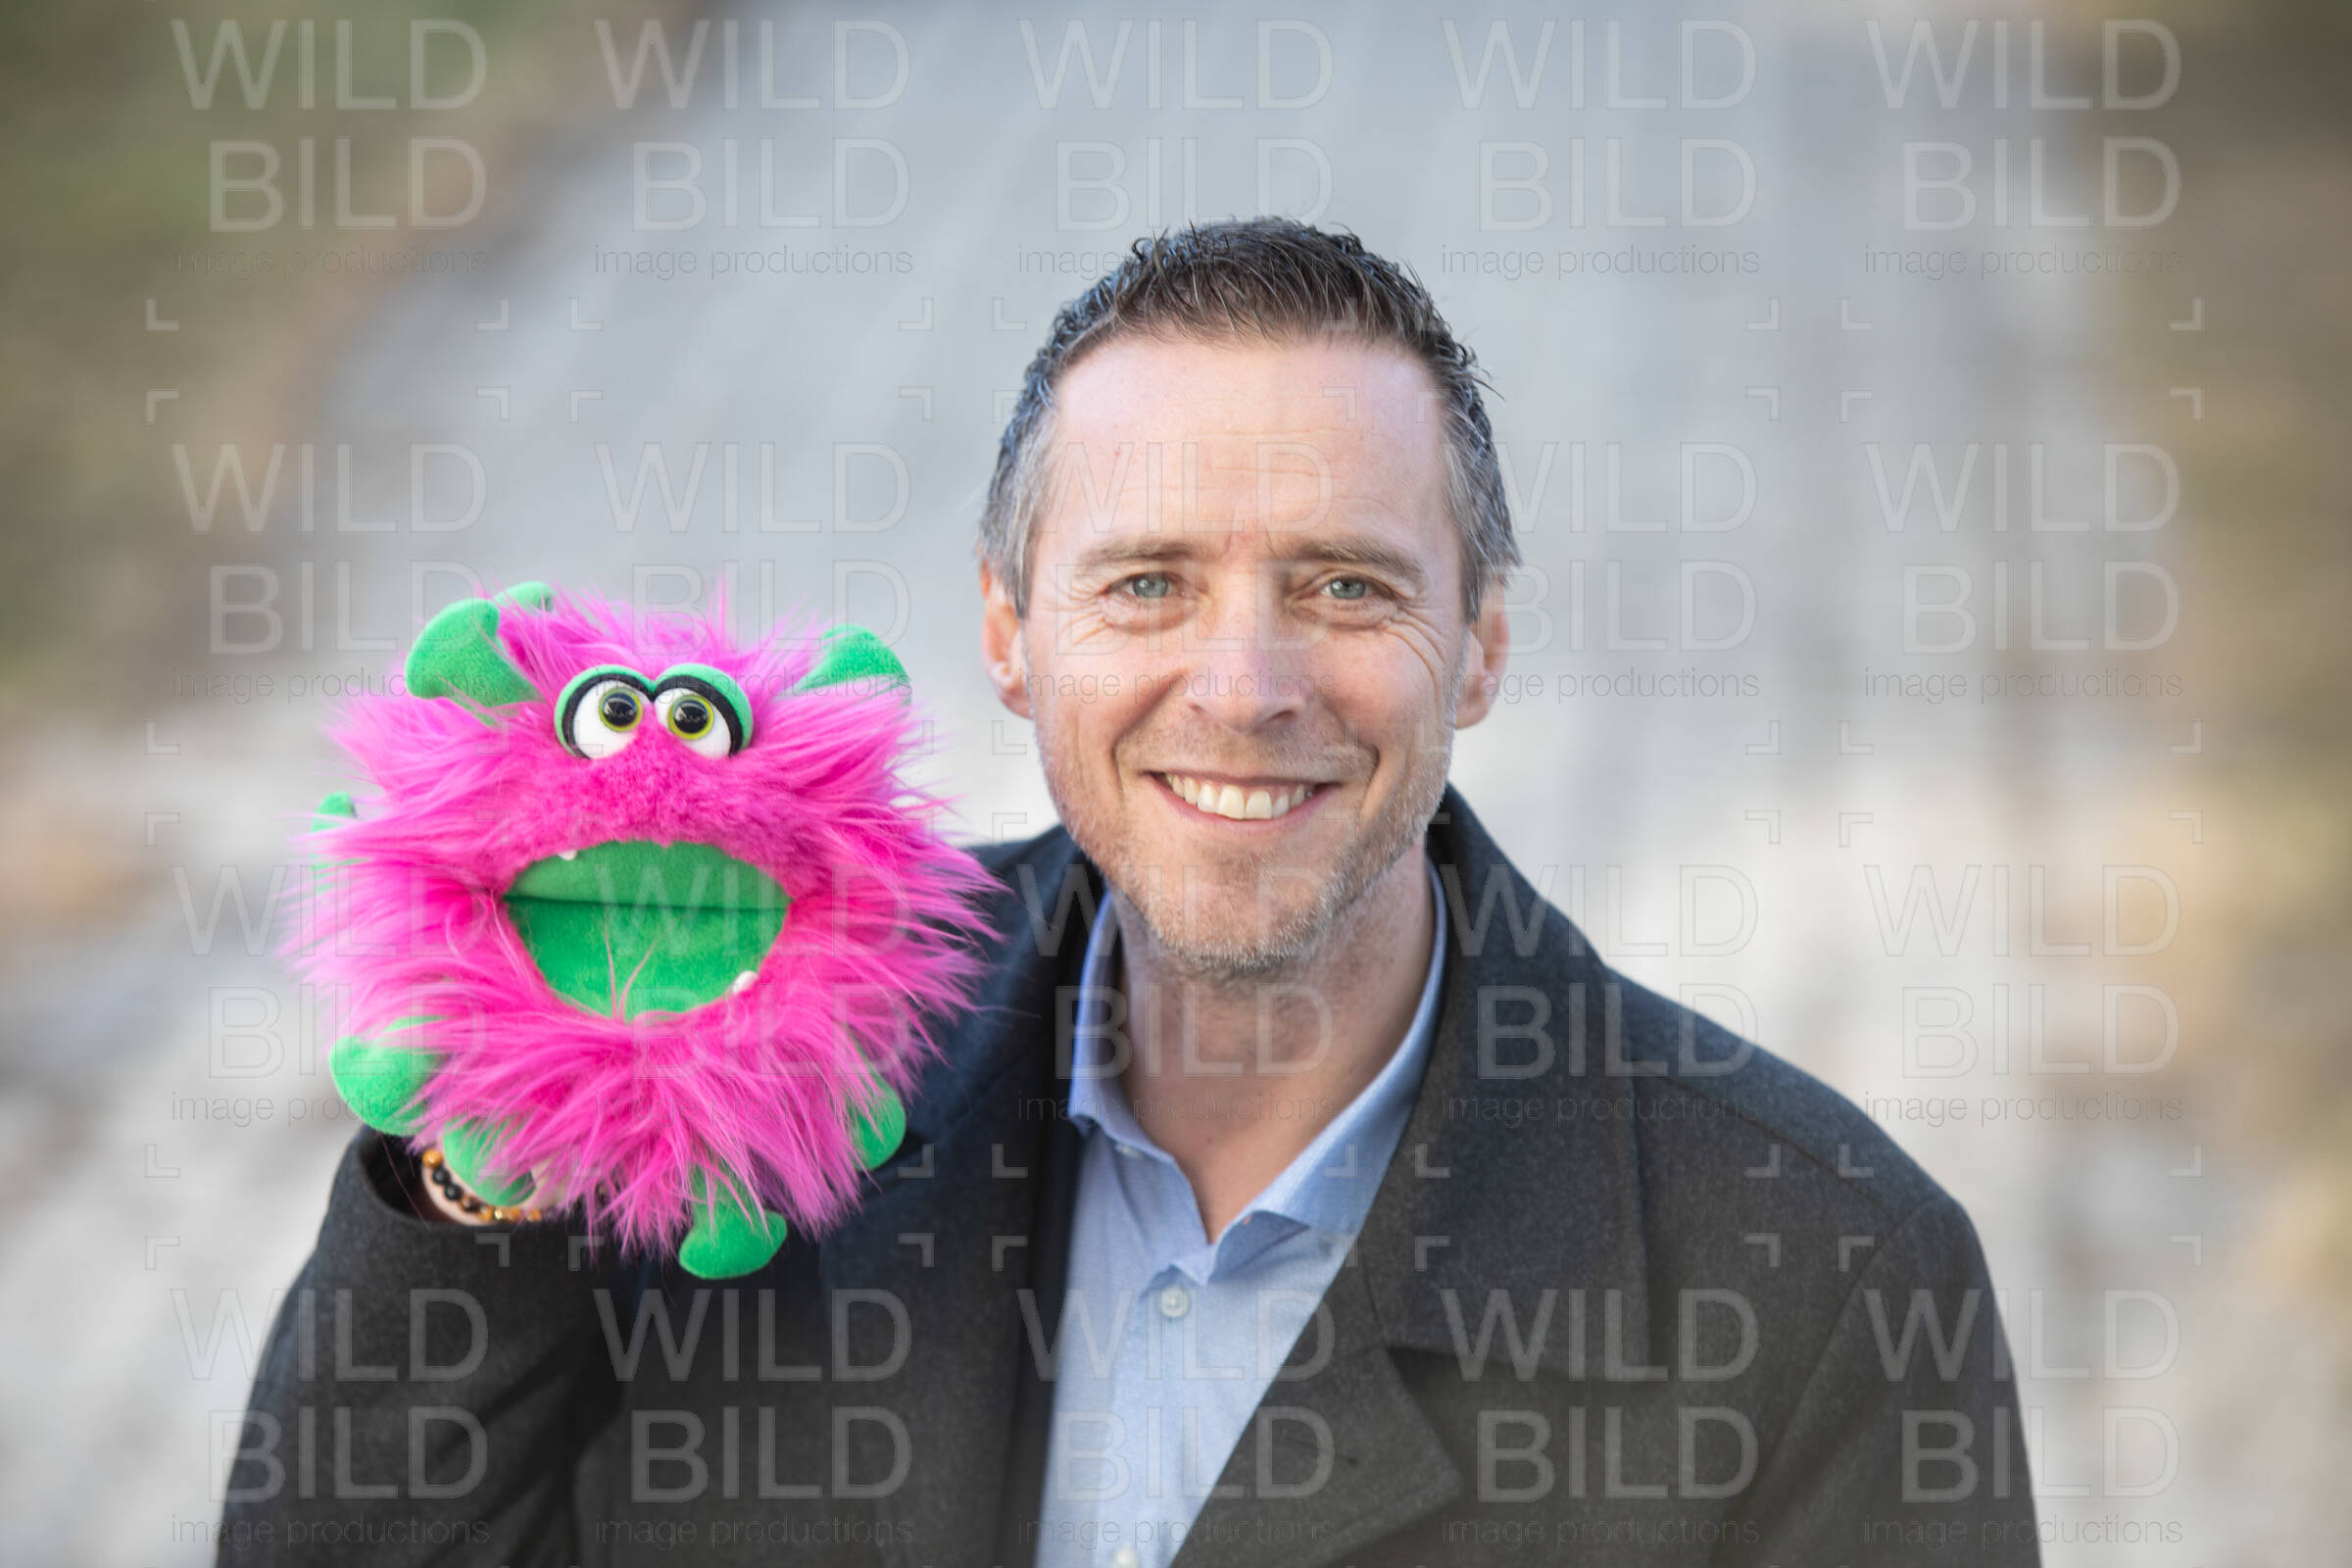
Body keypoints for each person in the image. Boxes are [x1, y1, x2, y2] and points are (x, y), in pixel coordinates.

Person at [221, 218, 2036, 1565]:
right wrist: (494, 1181)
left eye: (1343, 586)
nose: (1243, 687)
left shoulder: (1825, 1275)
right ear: (1010, 632)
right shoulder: (713, 1048)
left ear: (1479, 644)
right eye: (1148, 583)